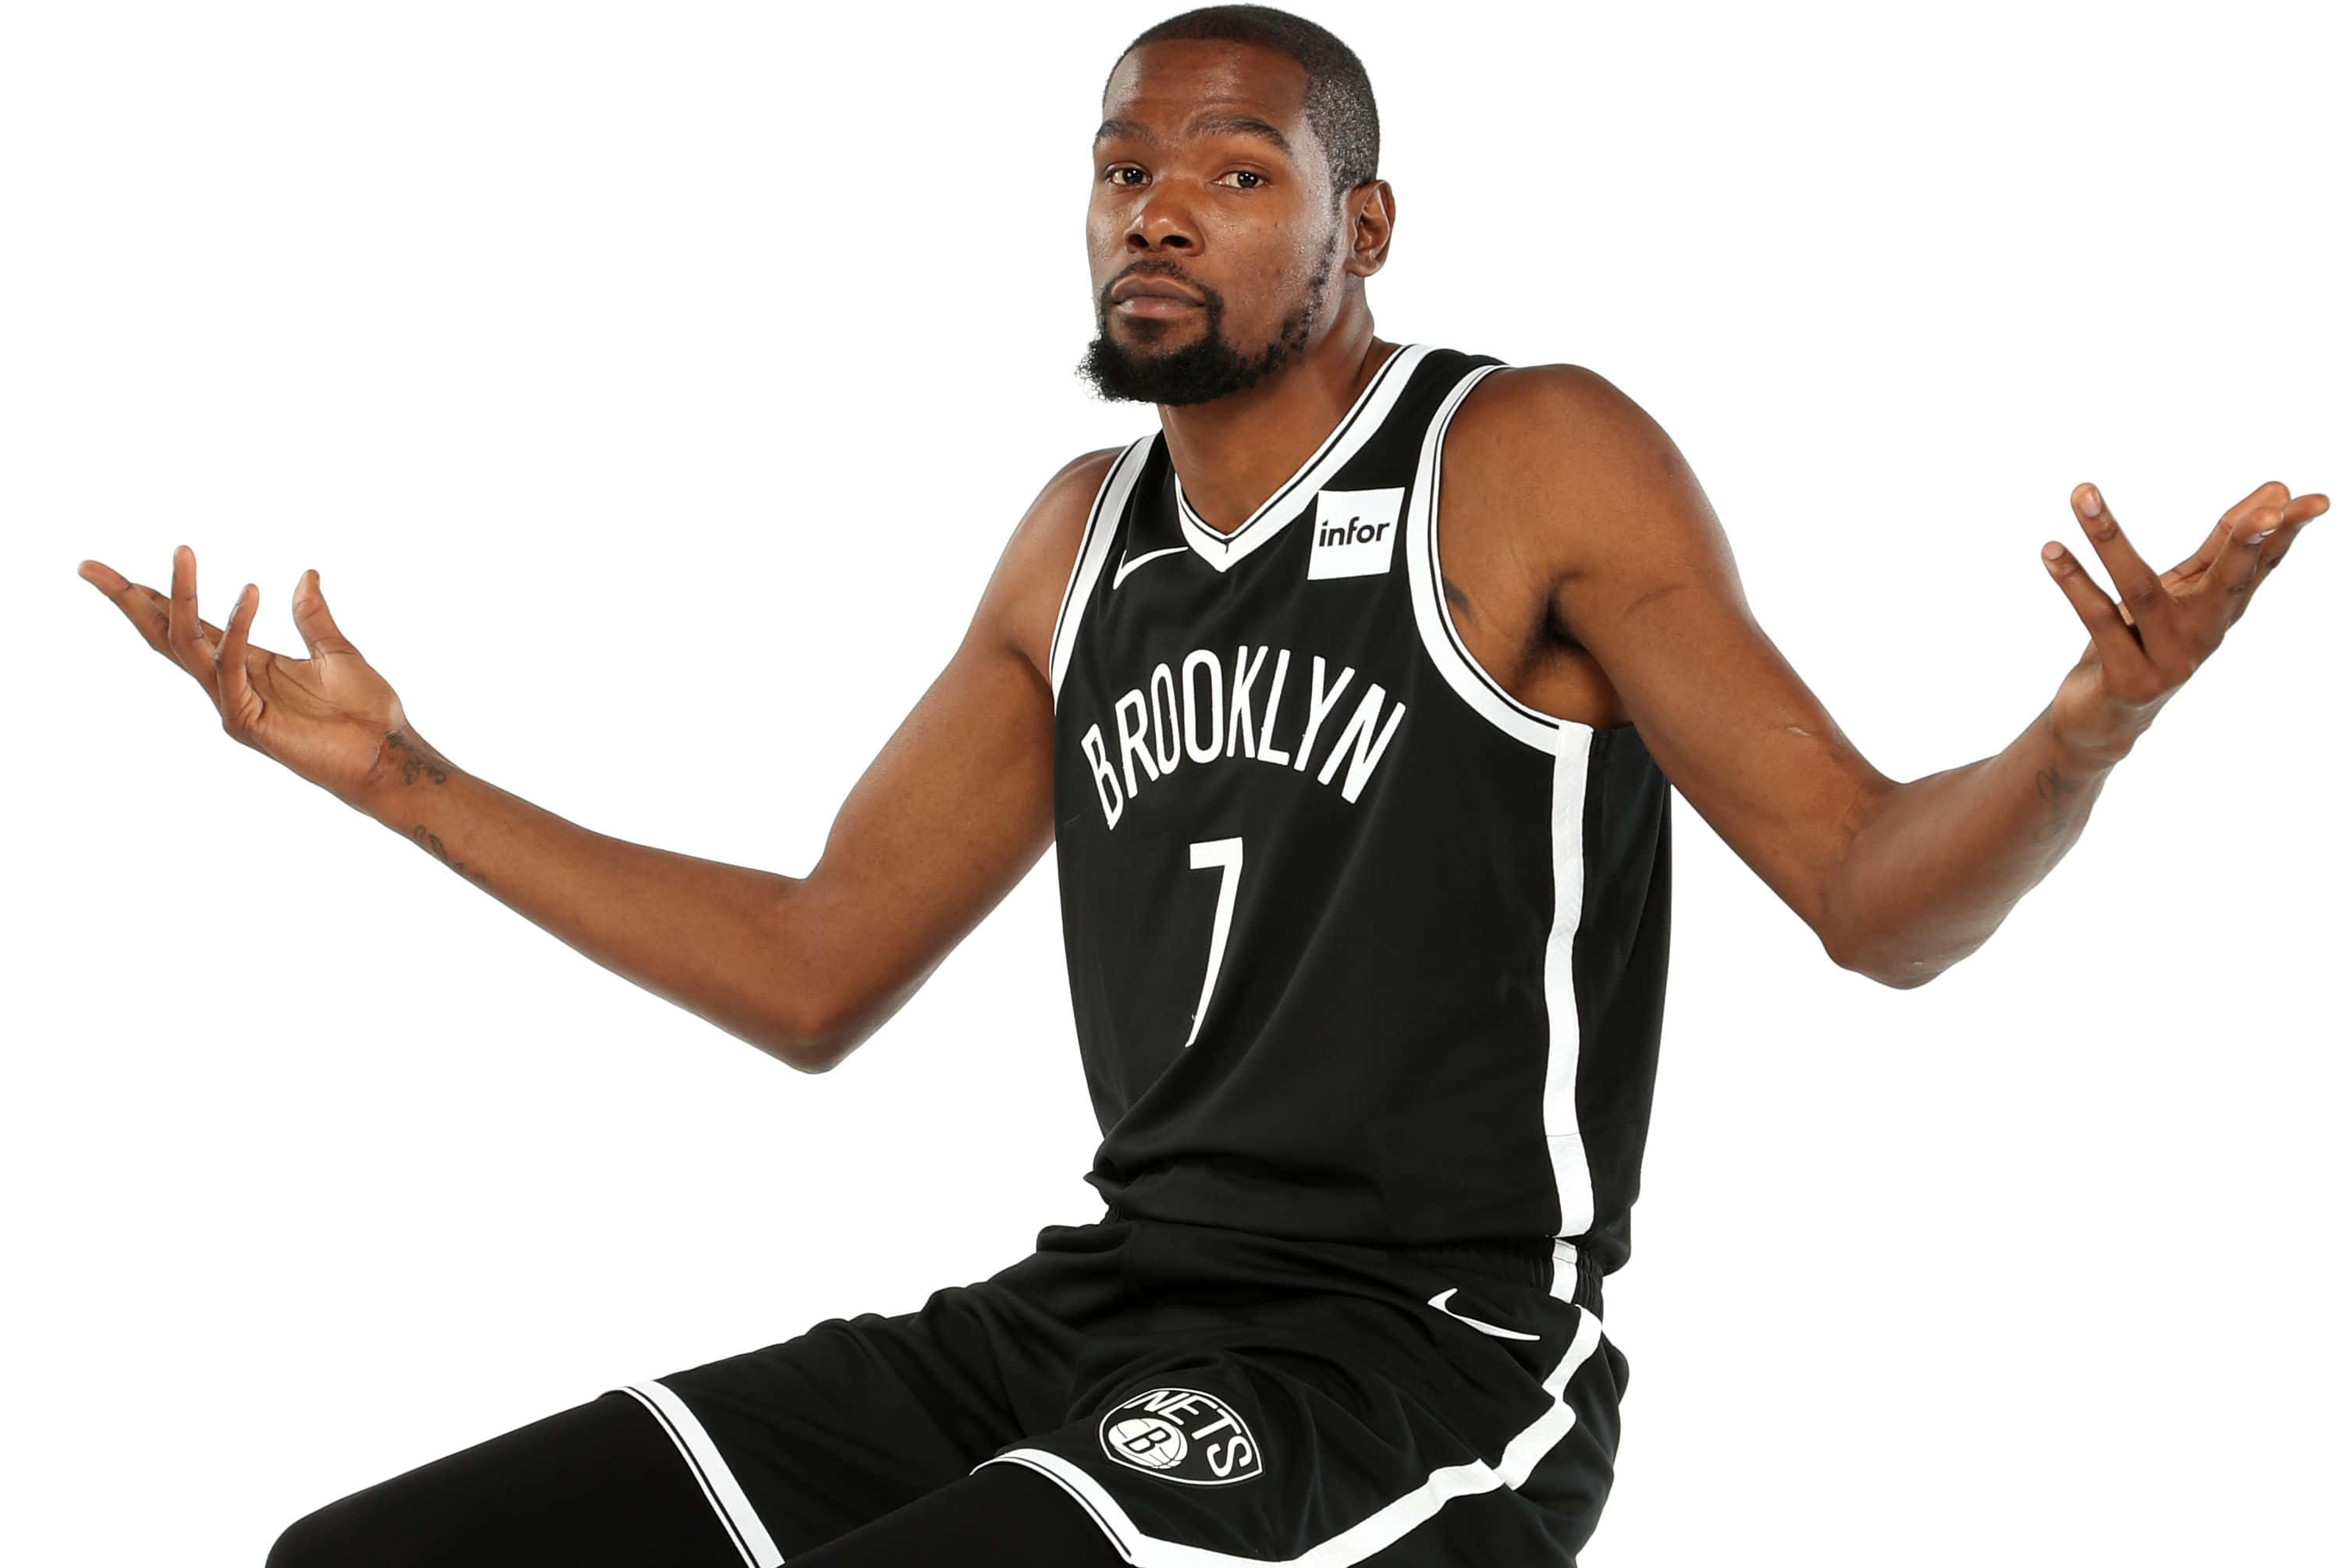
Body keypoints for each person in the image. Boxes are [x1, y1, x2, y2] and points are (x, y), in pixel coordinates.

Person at [74, 6, 2327, 1566]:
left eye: (1239, 173)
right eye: (1125, 169)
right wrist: (409, 778)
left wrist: (2076, 735)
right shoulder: (1080, 543)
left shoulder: (1525, 457)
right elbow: (814, 965)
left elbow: (1871, 897)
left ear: (1365, 225)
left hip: (1421, 1359)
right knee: (368, 1562)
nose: (1159, 212)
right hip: (1097, 1311)